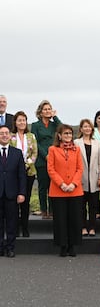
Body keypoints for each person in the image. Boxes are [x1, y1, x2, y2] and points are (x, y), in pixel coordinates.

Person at [47, 124, 83, 257]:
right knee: (60, 219)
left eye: (70, 133)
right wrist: (61, 184)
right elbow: (51, 169)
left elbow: (80, 168)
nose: (68, 136)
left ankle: (72, 245)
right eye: (65, 134)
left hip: (75, 189)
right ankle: (62, 246)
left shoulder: (77, 149)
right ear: (59, 136)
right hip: (58, 190)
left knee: (74, 219)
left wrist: (73, 183)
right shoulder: (53, 149)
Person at [31, 100, 62, 219]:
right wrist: (45, 155)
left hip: (55, 158)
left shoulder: (54, 124)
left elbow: (62, 129)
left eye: (49, 109)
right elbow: (35, 142)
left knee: (53, 186)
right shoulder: (35, 125)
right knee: (43, 186)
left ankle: (52, 210)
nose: (47, 111)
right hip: (42, 159)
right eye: (45, 109)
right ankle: (44, 210)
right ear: (40, 112)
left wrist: (55, 117)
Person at [10, 111, 38, 237]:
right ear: (15, 122)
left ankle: (25, 227)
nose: (22, 122)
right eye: (19, 120)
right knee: (15, 201)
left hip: (29, 172)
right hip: (13, 174)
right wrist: (17, 167)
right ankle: (15, 228)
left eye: (24, 120)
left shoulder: (31, 136)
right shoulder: (11, 136)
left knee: (25, 201)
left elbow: (34, 153)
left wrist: (25, 165)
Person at [0, 125, 26, 257]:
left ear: (10, 136)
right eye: (1, 133)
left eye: (6, 133)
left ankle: (10, 247)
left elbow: (21, 175)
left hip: (12, 193)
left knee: (11, 223)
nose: (4, 135)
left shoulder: (17, 153)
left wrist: (22, 193)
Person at [74, 119, 100, 237]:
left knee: (93, 205)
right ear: (81, 129)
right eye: (84, 127)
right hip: (81, 178)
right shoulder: (76, 142)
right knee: (81, 205)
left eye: (89, 127)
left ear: (92, 129)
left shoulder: (97, 143)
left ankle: (92, 228)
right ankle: (83, 227)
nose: (87, 129)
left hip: (94, 178)